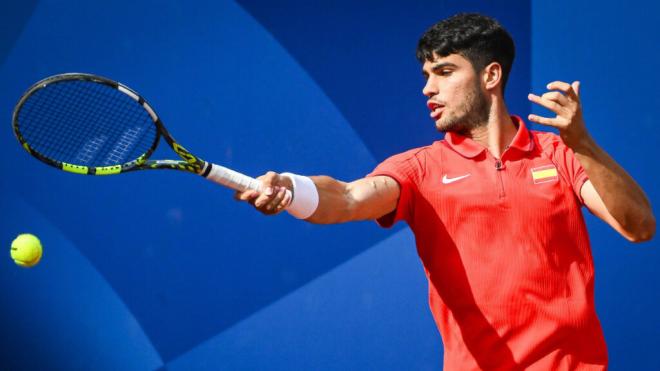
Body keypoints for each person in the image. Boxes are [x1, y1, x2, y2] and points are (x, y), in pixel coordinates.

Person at [235, 13, 655, 370]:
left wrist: (583, 144)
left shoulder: (559, 155)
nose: (427, 89)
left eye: (445, 72)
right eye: (426, 75)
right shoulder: (418, 169)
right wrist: (290, 188)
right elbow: (347, 198)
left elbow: (638, 227)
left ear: (491, 75)